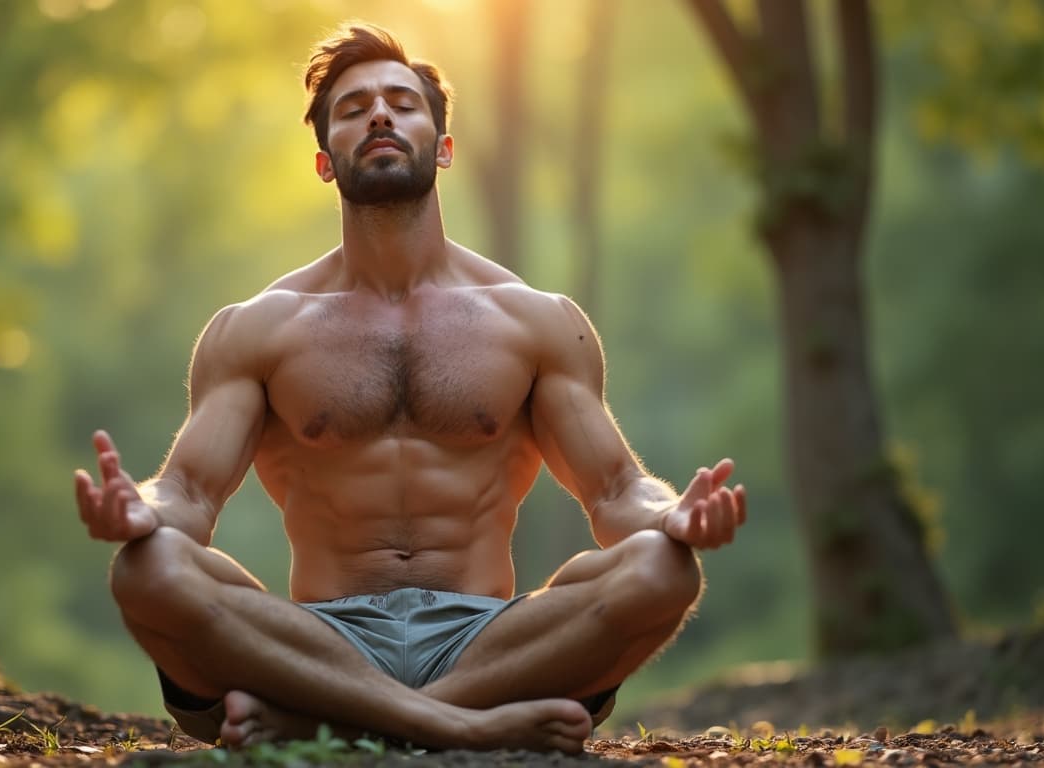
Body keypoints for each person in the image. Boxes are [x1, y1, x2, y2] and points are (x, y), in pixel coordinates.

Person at [73, 22, 747, 755]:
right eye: (355, 107)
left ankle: (336, 731)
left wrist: (675, 514)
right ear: (327, 161)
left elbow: (617, 493)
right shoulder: (259, 329)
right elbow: (190, 498)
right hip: (321, 641)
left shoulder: (535, 320)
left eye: (402, 101)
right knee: (150, 567)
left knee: (659, 566)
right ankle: (453, 728)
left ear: (444, 146)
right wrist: (137, 509)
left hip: (489, 641)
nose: (381, 115)